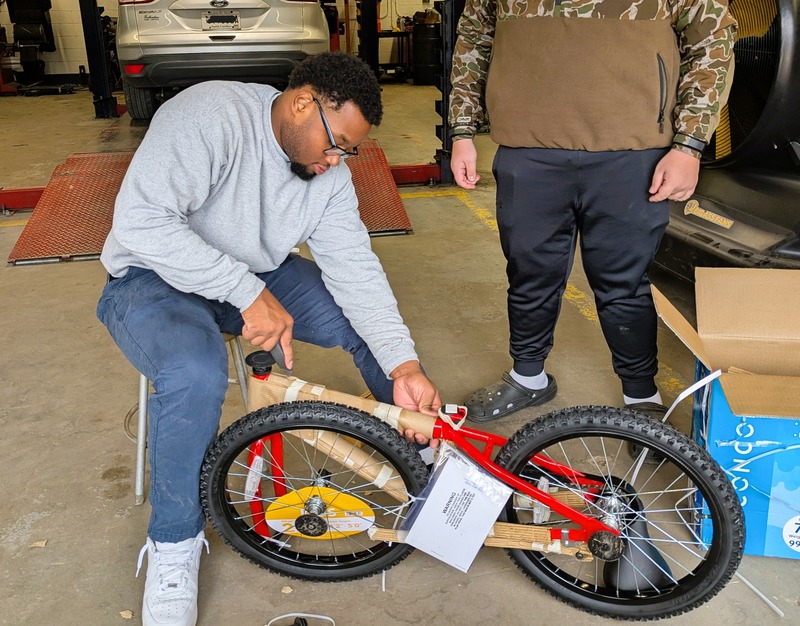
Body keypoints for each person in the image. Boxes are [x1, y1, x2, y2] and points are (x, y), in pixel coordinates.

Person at [97, 52, 442, 626]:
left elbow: (354, 267)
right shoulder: (211, 114)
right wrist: (244, 292)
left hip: (252, 275)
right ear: (304, 102)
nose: (337, 162)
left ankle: (424, 456)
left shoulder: (330, 176)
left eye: (348, 151)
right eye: (335, 144)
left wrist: (403, 363)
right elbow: (143, 223)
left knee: (369, 329)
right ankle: (174, 546)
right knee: (196, 373)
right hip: (151, 276)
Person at [448, 0, 736, 422]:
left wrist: (690, 144)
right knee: (530, 272)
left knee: (623, 284)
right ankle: (528, 377)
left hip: (632, 152)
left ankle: (641, 395)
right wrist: (462, 129)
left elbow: (711, 40)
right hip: (529, 148)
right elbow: (474, 40)